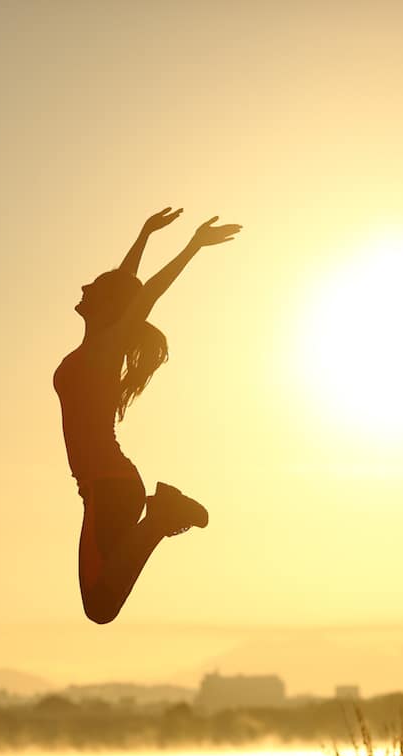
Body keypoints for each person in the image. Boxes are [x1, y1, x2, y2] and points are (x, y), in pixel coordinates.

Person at [54, 207, 241, 623]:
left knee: (100, 607)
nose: (85, 286)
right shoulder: (97, 347)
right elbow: (124, 287)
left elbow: (143, 294)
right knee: (101, 605)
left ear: (106, 306)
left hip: (111, 486)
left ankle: (162, 519)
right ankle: (163, 515)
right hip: (102, 488)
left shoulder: (104, 351)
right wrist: (143, 235)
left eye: (95, 287)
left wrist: (191, 246)